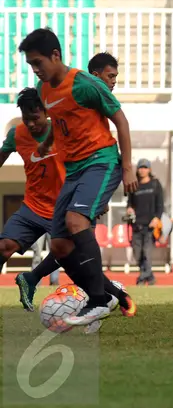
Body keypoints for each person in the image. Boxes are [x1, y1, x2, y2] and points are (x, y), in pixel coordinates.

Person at [18, 28, 138, 327]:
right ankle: (108, 295)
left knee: (76, 222)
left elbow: (120, 119)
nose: (36, 69)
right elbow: (61, 122)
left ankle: (99, 299)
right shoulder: (44, 90)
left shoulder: (84, 84)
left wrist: (127, 167)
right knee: (58, 245)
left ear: (55, 55)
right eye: (31, 65)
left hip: (102, 161)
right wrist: (46, 144)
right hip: (74, 170)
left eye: (38, 62)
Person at [126, 158, 164, 285]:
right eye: (140, 167)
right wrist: (129, 209)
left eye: (145, 167)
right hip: (136, 225)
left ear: (149, 170)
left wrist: (157, 218)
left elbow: (160, 204)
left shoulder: (155, 184)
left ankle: (141, 279)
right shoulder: (134, 185)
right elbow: (130, 203)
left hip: (150, 226)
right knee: (138, 255)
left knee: (146, 253)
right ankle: (150, 278)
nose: (142, 170)